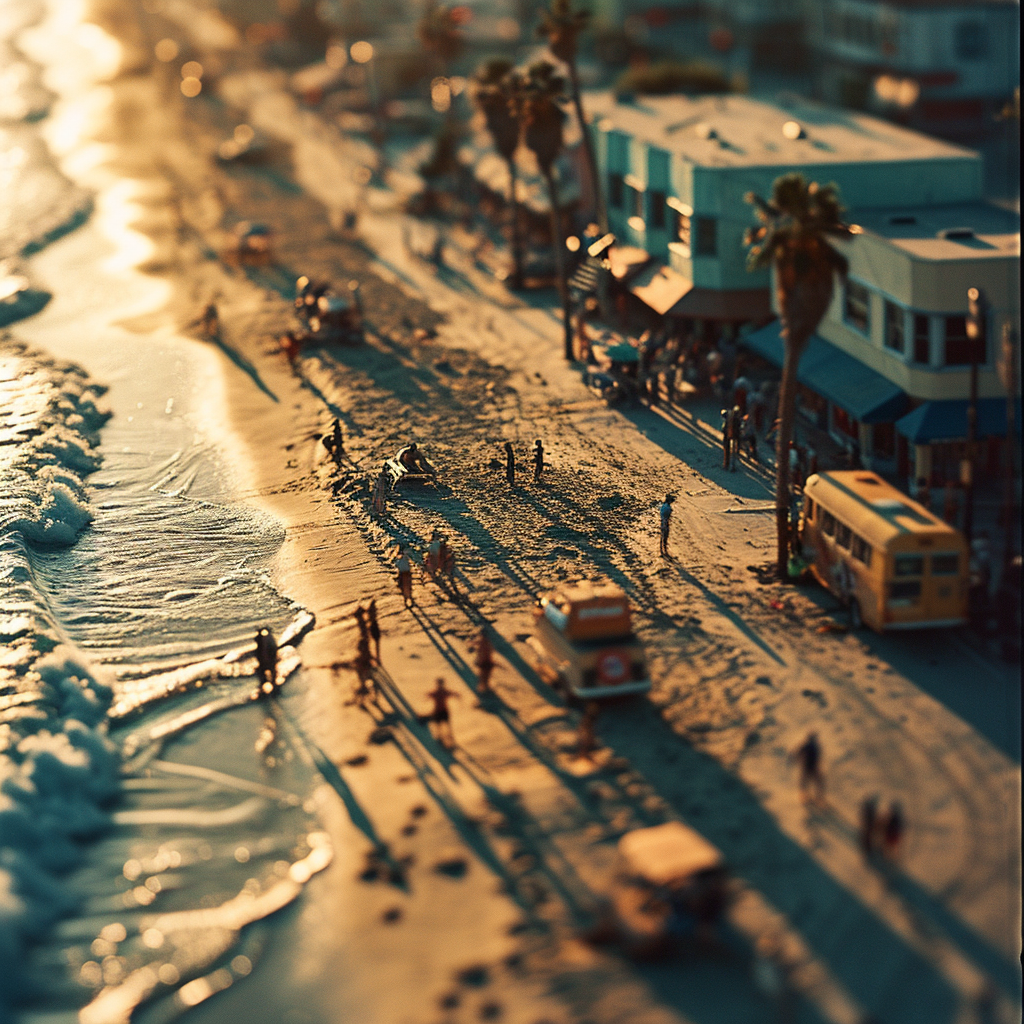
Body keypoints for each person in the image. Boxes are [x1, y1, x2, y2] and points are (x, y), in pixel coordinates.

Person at [791, 731, 825, 805]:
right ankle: (810, 796)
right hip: (809, 766)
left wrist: (796, 758)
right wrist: (796, 757)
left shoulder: (813, 745)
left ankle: (813, 796)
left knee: (812, 781)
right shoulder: (810, 745)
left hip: (810, 766)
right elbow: (799, 752)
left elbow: (798, 752)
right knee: (814, 781)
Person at [425, 677, 459, 748]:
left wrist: (427, 696)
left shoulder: (439, 692)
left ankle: (442, 738)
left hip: (440, 711)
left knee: (441, 726)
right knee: (444, 726)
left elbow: (429, 695)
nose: (440, 685)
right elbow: (452, 693)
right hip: (442, 711)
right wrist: (456, 695)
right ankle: (446, 738)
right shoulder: (442, 692)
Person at [353, 607, 373, 694]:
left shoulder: (362, 624)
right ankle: (364, 683)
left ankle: (364, 685)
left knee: (362, 671)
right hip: (365, 652)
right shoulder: (363, 623)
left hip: (365, 658)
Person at [255, 627, 278, 695]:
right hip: (267, 659)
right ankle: (270, 684)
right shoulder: (268, 638)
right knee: (270, 669)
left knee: (267, 669)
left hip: (266, 659)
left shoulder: (263, 639)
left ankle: (268, 684)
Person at [474, 628, 495, 694]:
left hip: (484, 662)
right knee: (485, 676)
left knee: (484, 676)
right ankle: (484, 688)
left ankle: (483, 688)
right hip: (486, 662)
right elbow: (490, 651)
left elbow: (481, 653)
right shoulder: (488, 643)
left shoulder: (482, 643)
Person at [366, 598, 381, 663]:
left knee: (375, 644)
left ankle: (376, 658)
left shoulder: (370, 613)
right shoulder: (372, 613)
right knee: (376, 644)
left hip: (373, 628)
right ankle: (376, 658)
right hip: (374, 629)